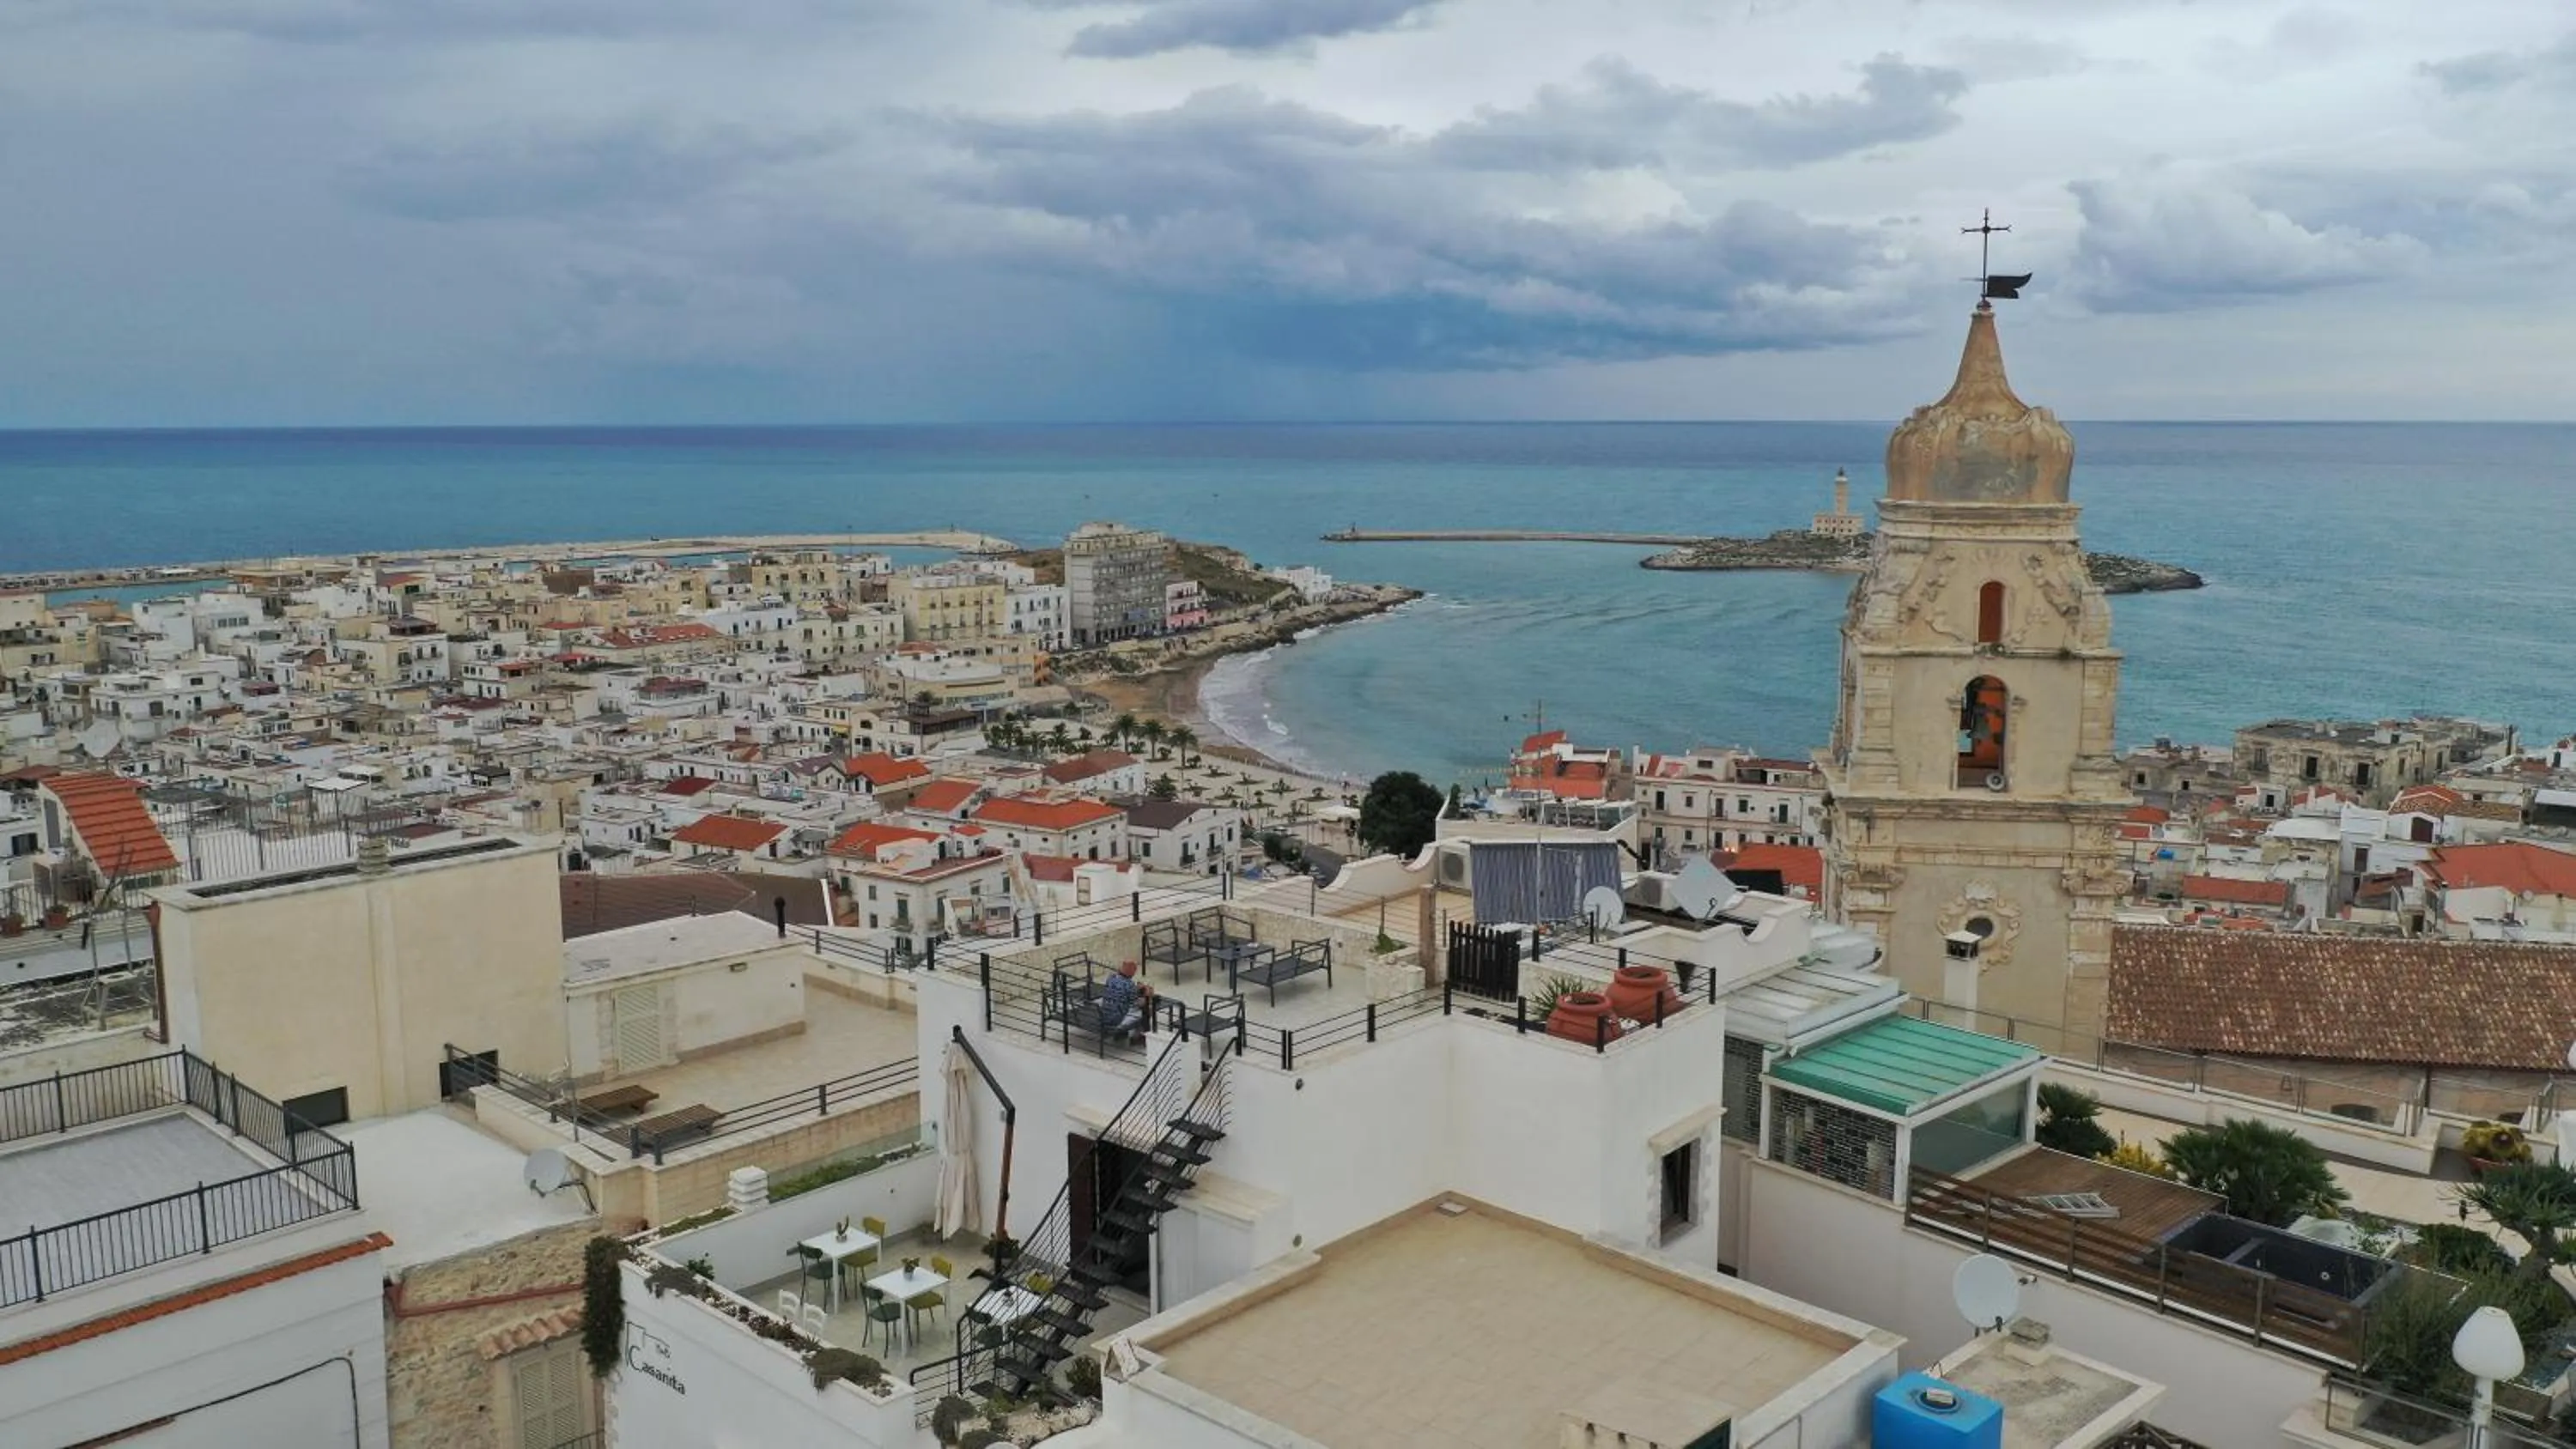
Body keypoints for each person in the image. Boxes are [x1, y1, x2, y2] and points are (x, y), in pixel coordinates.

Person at [1098, 958, 1152, 1043]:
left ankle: (1121, 1034)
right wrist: (1147, 994)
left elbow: (1120, 994)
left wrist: (1135, 990)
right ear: (1131, 971)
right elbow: (1139, 1004)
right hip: (1116, 1021)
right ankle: (1138, 1037)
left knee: (1119, 1005)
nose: (1135, 972)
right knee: (1146, 1011)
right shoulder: (1129, 984)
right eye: (1135, 970)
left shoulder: (1111, 978)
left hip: (1105, 1016)